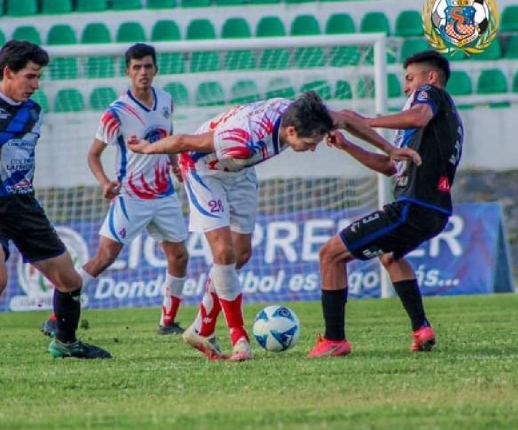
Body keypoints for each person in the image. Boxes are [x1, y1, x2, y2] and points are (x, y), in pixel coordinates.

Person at [127, 91, 420, 361]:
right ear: (291, 132)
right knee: (224, 253)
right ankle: (238, 338)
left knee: (241, 254)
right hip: (205, 170)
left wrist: (388, 148)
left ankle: (202, 329)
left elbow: (345, 117)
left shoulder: (304, 115)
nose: (313, 149)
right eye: (309, 144)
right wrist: (147, 148)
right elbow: (183, 143)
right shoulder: (241, 138)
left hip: (240, 172)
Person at [0, 40, 111, 366]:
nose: (35, 85)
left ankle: (66, 343)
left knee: (70, 281)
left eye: (39, 78)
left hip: (25, 207)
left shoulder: (34, 111)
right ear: (8, 72)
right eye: (30, 77)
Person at [309, 50, 463, 357]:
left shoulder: (430, 97)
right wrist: (348, 144)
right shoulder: (437, 126)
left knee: (330, 255)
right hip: (436, 211)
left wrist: (365, 121)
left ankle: (334, 338)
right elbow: (388, 166)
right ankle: (421, 328)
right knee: (390, 256)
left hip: (413, 205)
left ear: (430, 78)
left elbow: (418, 114)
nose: (406, 88)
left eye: (409, 79)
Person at [41, 43, 190, 337]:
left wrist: (175, 165)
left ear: (155, 69)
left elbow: (167, 136)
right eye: (136, 68)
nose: (143, 73)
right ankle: (56, 316)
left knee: (180, 255)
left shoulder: (166, 101)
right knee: (104, 257)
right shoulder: (117, 112)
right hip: (130, 196)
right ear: (128, 72)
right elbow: (93, 154)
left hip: (164, 195)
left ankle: (167, 321)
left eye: (147, 66)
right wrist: (104, 182)